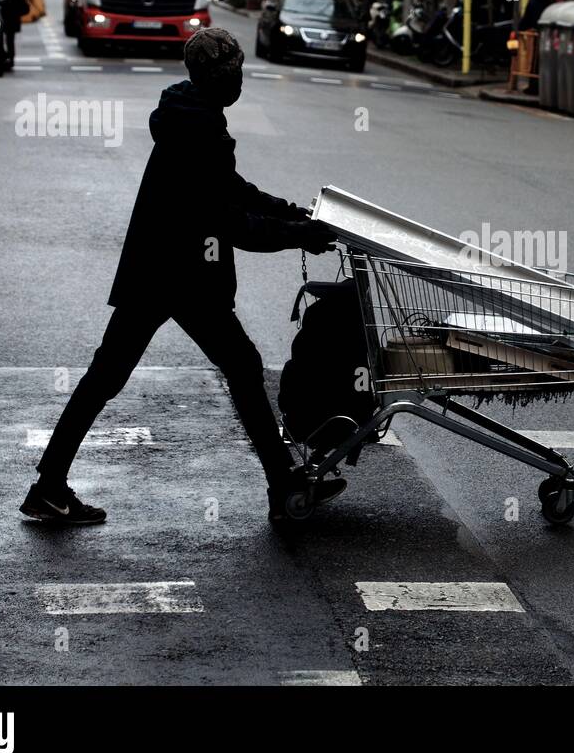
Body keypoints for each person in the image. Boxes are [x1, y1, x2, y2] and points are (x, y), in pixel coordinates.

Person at [20, 27, 341, 527]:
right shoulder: (200, 129)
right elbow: (232, 222)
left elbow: (231, 188)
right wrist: (299, 234)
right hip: (184, 276)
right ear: (216, 76)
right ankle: (283, 486)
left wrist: (290, 212)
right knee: (240, 366)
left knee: (107, 377)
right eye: (233, 72)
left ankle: (48, 486)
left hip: (158, 270)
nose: (239, 80)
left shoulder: (191, 115)